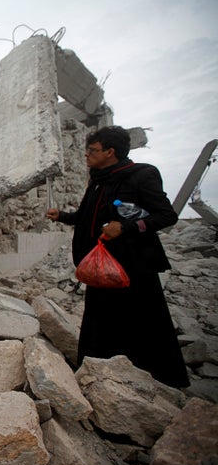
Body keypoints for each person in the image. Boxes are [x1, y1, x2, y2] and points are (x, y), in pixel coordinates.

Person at [46, 125, 189, 388]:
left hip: (133, 268)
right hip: (101, 270)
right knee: (100, 325)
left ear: (110, 152)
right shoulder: (98, 179)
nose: (86, 155)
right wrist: (63, 216)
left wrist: (125, 227)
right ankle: (98, 380)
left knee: (141, 325)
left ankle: (154, 382)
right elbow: (87, 217)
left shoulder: (141, 175)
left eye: (92, 150)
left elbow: (166, 215)